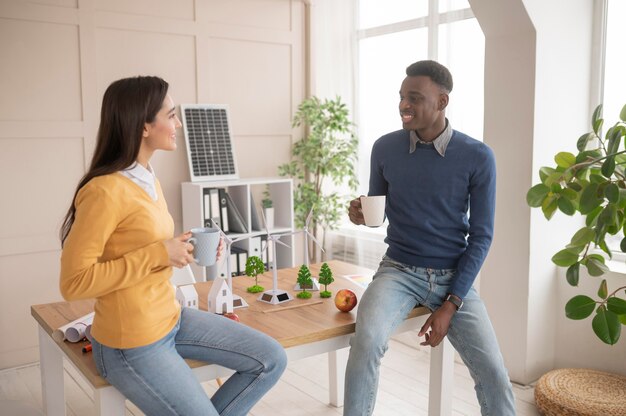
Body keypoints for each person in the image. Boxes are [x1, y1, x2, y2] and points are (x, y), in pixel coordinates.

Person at [59, 76, 287, 416]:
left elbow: (145, 244)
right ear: (144, 126)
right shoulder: (103, 191)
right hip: (130, 343)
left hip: (170, 318)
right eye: (171, 115)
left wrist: (187, 248)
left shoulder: (146, 175)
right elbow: (73, 282)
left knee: (271, 358)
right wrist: (157, 254)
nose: (178, 123)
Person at [344, 60, 515, 415]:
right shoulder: (384, 147)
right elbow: (380, 209)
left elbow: (482, 237)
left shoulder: (477, 156)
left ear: (442, 102)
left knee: (495, 373)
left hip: (454, 276)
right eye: (402, 97)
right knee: (366, 341)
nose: (404, 105)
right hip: (398, 271)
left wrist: (451, 304)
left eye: (415, 98)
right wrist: (361, 216)